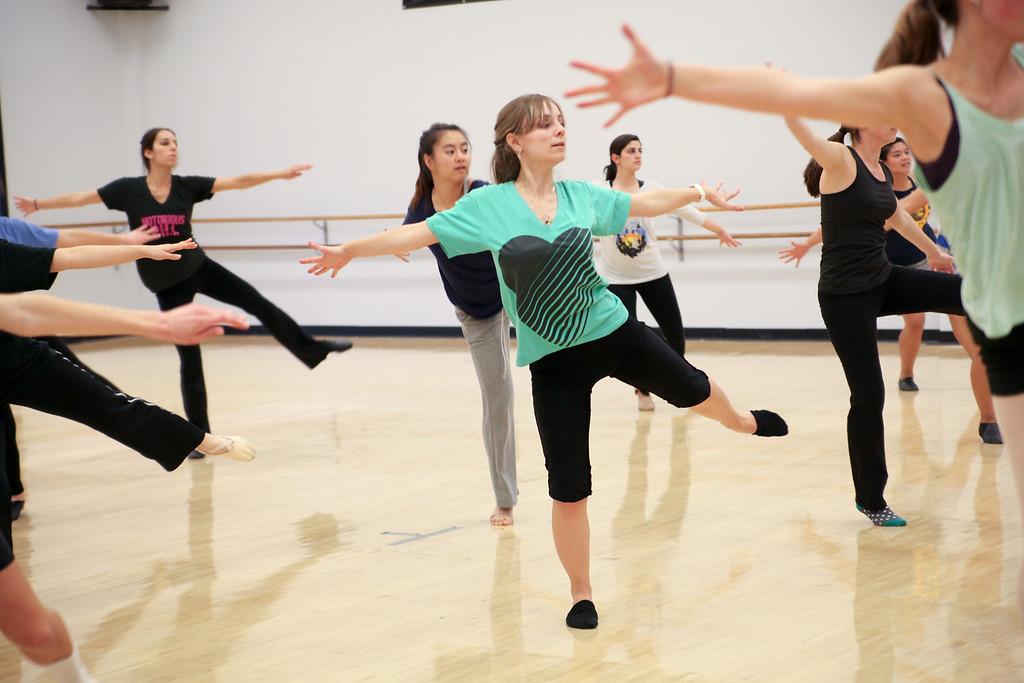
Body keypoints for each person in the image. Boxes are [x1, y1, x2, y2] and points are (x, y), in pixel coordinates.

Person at [566, 0, 1024, 601]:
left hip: (882, 277)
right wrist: (783, 99)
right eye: (886, 119)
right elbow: (806, 128)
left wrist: (935, 250)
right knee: (870, 392)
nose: (896, 127)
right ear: (864, 123)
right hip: (844, 298)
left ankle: (1001, 360)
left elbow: (892, 215)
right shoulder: (837, 158)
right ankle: (872, 498)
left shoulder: (881, 170)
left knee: (968, 291)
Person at [300, 94, 787, 629]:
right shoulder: (488, 207)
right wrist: (348, 249)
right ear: (515, 140)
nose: (559, 131)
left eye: (561, 122)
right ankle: (581, 593)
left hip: (614, 332)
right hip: (554, 363)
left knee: (692, 388)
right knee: (569, 485)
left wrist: (700, 192)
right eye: (544, 125)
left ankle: (741, 421)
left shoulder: (582, 196)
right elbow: (419, 233)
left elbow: (646, 204)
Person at [14, 127, 352, 451]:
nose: (173, 147)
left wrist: (279, 174)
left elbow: (238, 181)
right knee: (189, 358)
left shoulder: (187, 186)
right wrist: (38, 204)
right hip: (167, 282)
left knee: (259, 304)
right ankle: (199, 436)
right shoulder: (128, 190)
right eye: (164, 142)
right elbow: (81, 197)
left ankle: (313, 349)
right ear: (148, 152)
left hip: (198, 266)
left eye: (175, 142)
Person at [0, 287, 255, 683]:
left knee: (38, 633)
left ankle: (196, 438)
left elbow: (26, 299)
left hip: (8, 352)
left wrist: (156, 318)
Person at [403, 123, 518, 525]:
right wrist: (397, 243)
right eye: (449, 151)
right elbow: (407, 234)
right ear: (429, 160)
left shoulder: (483, 194)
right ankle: (505, 497)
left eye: (464, 148)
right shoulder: (422, 207)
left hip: (515, 294)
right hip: (476, 312)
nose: (461, 157)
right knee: (498, 395)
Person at [1, 215, 150, 520]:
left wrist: (123, 241)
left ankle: (145, 419)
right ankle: (14, 489)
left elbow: (65, 240)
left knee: (80, 376)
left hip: (21, 322)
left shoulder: (7, 228)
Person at [597, 133, 741, 411]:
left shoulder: (651, 188)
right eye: (631, 151)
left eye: (640, 150)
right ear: (616, 158)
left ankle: (683, 388)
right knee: (628, 337)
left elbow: (687, 210)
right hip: (617, 278)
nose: (638, 155)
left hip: (653, 273)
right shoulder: (601, 190)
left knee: (674, 334)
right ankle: (643, 389)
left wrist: (719, 229)